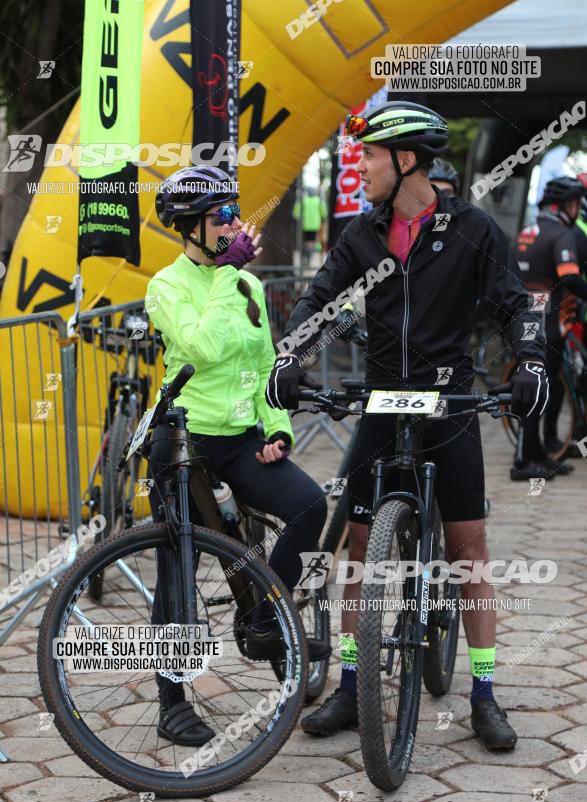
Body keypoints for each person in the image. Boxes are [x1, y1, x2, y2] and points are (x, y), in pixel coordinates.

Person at [265, 101, 549, 751]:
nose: (359, 167)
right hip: (383, 400)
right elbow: (318, 300)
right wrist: (290, 354)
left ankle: (482, 694)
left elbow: (516, 306)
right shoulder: (362, 235)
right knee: (357, 552)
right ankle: (347, 683)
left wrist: (529, 359)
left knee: (467, 553)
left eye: (368, 156)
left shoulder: (473, 230)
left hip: (447, 406)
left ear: (405, 160)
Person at [145, 165, 328, 746]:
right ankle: (171, 703)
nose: (234, 225)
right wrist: (225, 276)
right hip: (184, 441)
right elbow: (201, 346)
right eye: (221, 216)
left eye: (234, 213)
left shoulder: (248, 287)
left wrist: (278, 428)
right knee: (177, 567)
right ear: (189, 227)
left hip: (243, 438)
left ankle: (268, 619)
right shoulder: (166, 287)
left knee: (308, 504)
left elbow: (263, 363)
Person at [513, 176, 587, 472]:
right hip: (549, 322)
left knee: (542, 388)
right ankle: (522, 461)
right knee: (537, 390)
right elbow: (569, 277)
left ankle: (539, 453)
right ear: (568, 205)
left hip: (524, 316)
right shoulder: (561, 233)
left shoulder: (530, 228)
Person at [293, 186, 327, 264]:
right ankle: (308, 259)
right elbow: (324, 212)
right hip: (315, 226)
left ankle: (304, 258)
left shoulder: (303, 201)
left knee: (304, 242)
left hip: (304, 225)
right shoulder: (318, 201)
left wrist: (297, 218)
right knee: (311, 243)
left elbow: (296, 213)